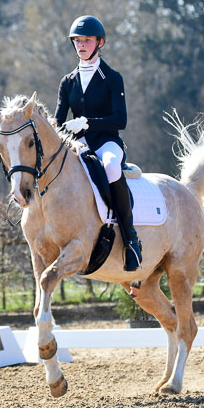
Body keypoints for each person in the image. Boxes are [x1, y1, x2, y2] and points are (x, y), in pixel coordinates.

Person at [55, 15, 142, 272]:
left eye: (87, 41)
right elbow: (58, 122)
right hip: (79, 145)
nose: (81, 45)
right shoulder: (67, 81)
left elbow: (121, 120)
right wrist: (66, 128)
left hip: (107, 142)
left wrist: (87, 123)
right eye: (78, 41)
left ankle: (131, 239)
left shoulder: (112, 78)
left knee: (112, 168)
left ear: (99, 42)